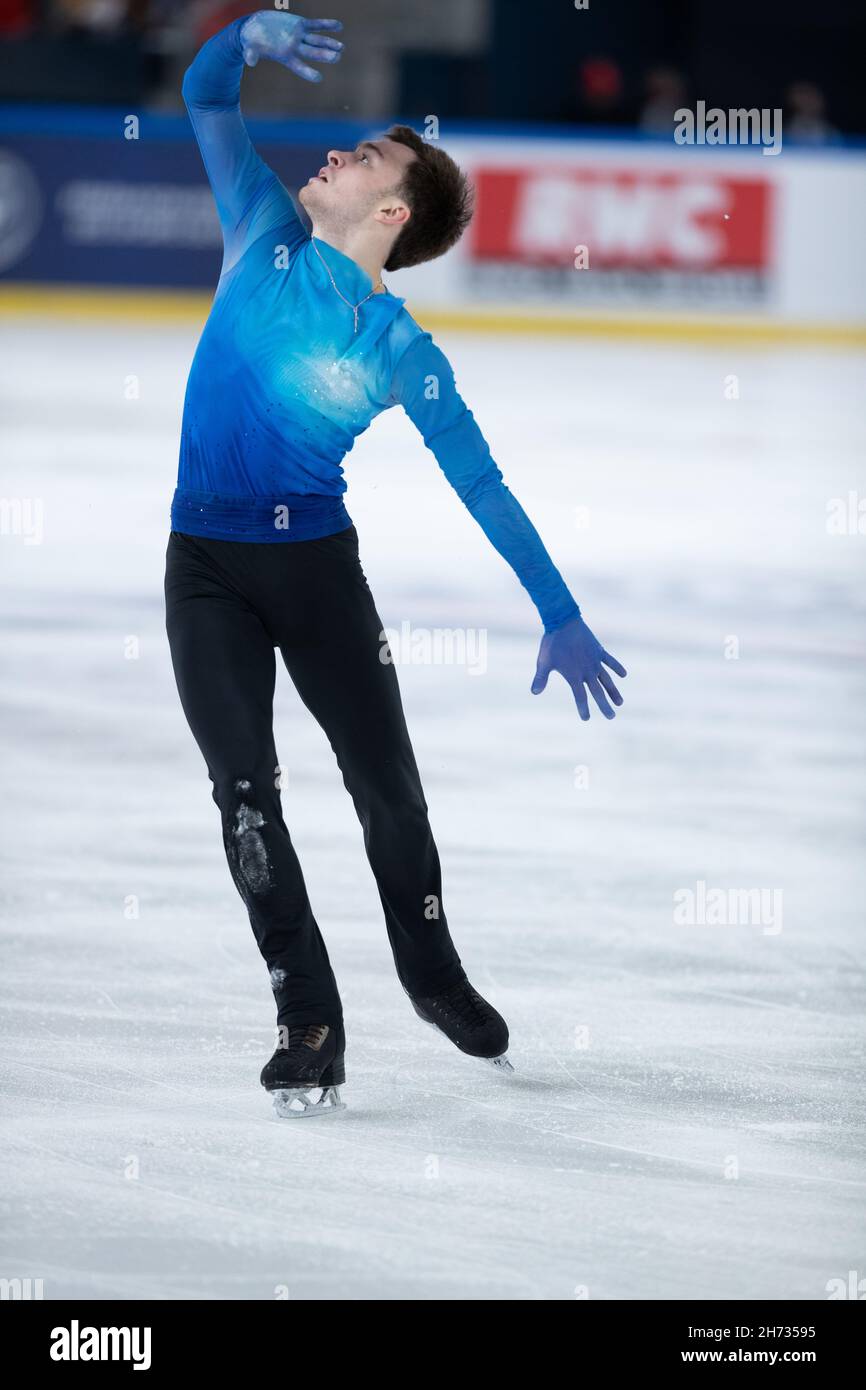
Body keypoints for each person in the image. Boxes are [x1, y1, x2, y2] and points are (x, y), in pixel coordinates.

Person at [164, 10, 626, 1116]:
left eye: (363, 154)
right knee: (244, 800)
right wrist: (242, 35)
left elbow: (483, 486)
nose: (333, 153)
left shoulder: (400, 350)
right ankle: (306, 1017)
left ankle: (432, 974)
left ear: (391, 209)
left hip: (316, 572)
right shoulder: (258, 227)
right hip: (205, 570)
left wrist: (557, 612)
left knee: (388, 792)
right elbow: (203, 97)